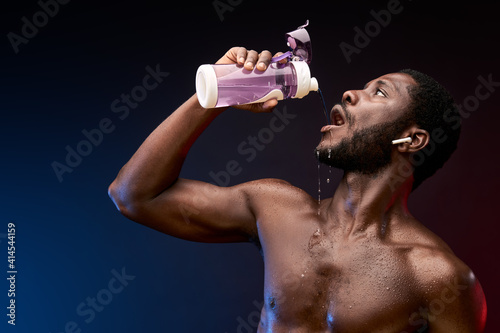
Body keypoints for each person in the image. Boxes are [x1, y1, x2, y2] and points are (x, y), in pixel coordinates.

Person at [108, 47, 487, 332]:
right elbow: (134, 195)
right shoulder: (277, 209)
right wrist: (215, 96)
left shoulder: (437, 276)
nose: (351, 93)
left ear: (412, 139)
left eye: (381, 93)